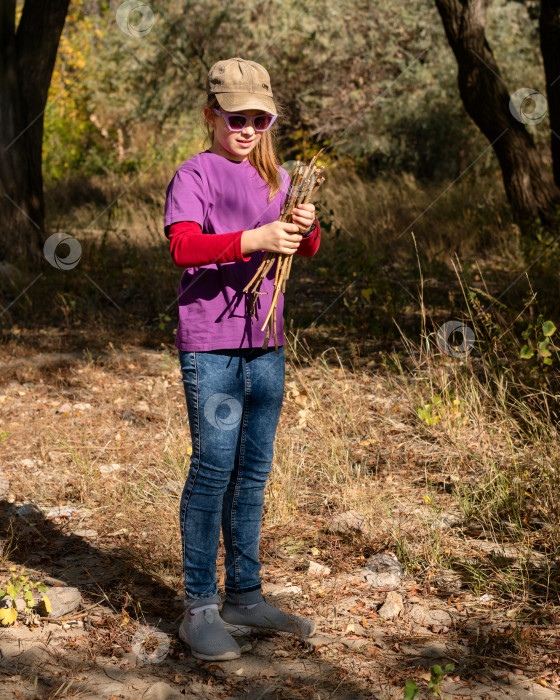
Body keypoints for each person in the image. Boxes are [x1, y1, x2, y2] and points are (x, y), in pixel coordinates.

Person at [163, 57, 322, 662]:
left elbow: (303, 246)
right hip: (213, 344)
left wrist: (303, 226)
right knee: (214, 469)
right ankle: (200, 606)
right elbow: (183, 246)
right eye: (237, 117)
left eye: (260, 117)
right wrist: (252, 239)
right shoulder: (195, 173)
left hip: (267, 343)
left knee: (254, 470)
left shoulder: (279, 177)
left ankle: (245, 596)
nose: (249, 128)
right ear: (212, 115)